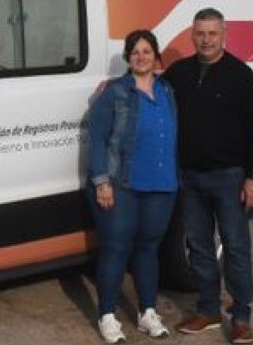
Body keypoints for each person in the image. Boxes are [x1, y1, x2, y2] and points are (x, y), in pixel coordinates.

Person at [163, 8, 253, 345]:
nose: (206, 40)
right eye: (200, 33)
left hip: (229, 178)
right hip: (190, 178)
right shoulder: (179, 73)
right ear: (192, 36)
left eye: (212, 33)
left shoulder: (241, 76)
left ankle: (241, 317)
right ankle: (208, 310)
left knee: (235, 247)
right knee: (199, 247)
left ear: (224, 35)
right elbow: (150, 89)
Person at [86, 30, 178, 342]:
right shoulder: (114, 92)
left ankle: (147, 312)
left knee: (148, 249)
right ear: (128, 57)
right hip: (121, 184)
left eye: (147, 51)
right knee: (116, 248)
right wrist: (101, 182)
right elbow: (97, 139)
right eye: (135, 52)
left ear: (156, 56)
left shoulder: (167, 90)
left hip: (161, 183)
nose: (141, 57)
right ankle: (107, 315)